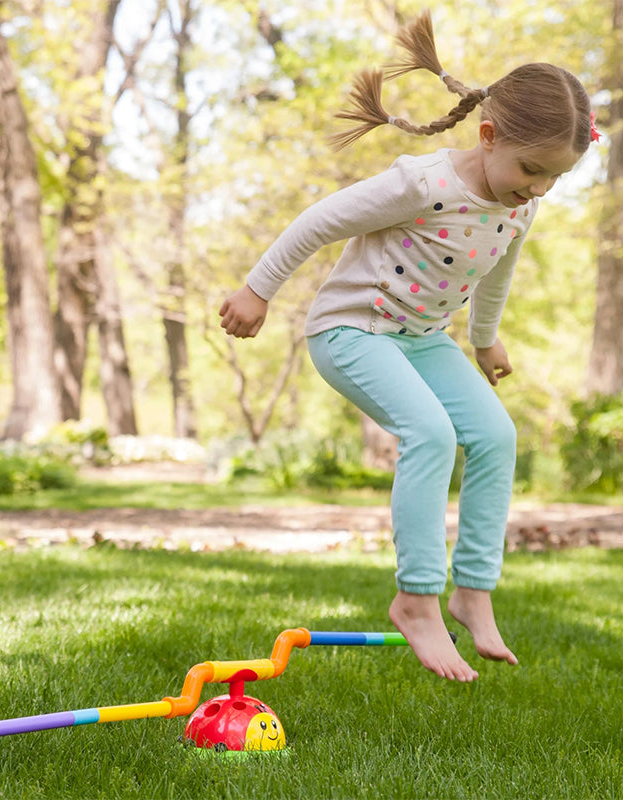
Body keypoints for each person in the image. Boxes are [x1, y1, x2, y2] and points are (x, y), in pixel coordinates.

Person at [219, 11, 595, 681]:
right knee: (431, 434)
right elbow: (319, 221)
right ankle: (416, 599)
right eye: (532, 170)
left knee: (495, 436)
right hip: (351, 330)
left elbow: (496, 270)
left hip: (422, 339)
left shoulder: (520, 204)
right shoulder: (421, 185)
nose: (538, 189)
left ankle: (471, 592)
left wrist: (485, 342)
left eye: (554, 180)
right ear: (487, 136)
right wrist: (258, 290)